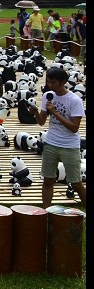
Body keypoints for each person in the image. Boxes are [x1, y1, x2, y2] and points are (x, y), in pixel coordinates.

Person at [30, 67, 86, 209]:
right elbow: (42, 121)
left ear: (63, 82)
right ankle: (45, 212)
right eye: (48, 82)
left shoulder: (74, 100)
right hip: (51, 143)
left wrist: (55, 113)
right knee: (48, 181)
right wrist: (36, 111)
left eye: (53, 82)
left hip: (70, 145)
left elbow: (74, 128)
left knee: (75, 182)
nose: (50, 85)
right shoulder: (48, 96)